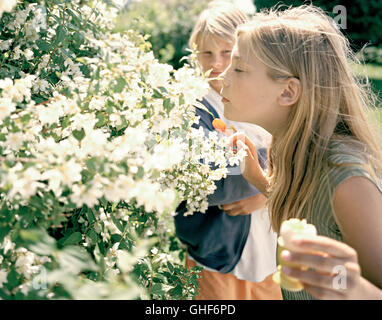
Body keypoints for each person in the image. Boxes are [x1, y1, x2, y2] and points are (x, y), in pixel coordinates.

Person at [221, 5, 382, 299]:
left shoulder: (348, 182)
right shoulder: (289, 148)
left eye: (239, 69)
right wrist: (258, 179)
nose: (223, 77)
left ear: (287, 92)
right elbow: (310, 207)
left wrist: (352, 285)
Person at [174, 1, 282, 300]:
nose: (217, 63)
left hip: (270, 246)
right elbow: (210, 180)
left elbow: (300, 150)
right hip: (219, 253)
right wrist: (267, 175)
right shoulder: (194, 107)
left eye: (227, 52)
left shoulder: (265, 95)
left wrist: (266, 193)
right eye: (206, 53)